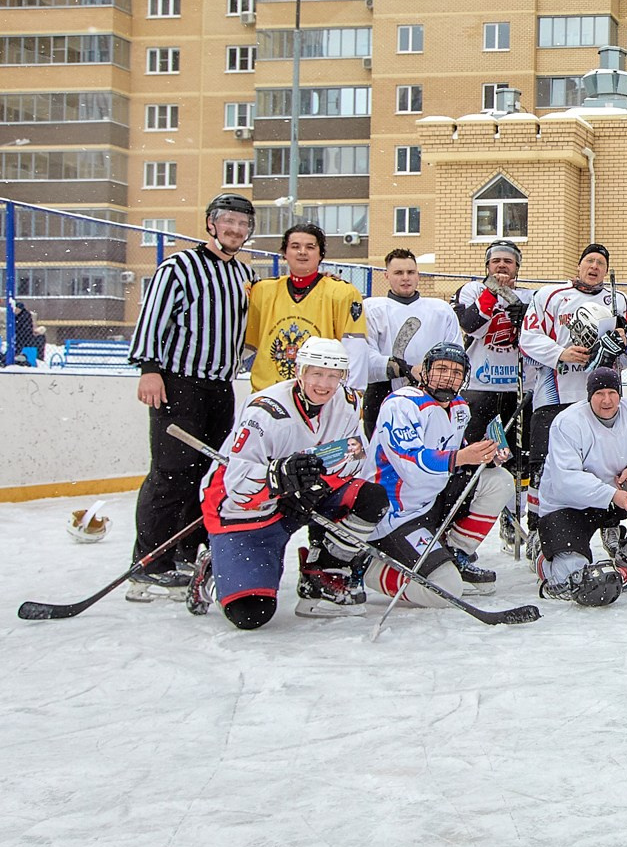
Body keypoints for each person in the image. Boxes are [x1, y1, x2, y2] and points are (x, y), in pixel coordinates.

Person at [199, 337, 386, 628]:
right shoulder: (265, 411)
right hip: (244, 509)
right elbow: (236, 485)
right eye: (317, 373)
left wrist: (315, 488)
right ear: (299, 372)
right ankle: (214, 568)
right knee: (250, 613)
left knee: (370, 498)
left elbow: (353, 457)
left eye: (333, 375)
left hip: (302, 499)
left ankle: (323, 569)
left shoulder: (348, 403)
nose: (324, 384)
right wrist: (279, 479)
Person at [126, 193, 257, 595]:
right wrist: (149, 370)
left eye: (243, 224)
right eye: (228, 222)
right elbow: (153, 319)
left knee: (209, 474)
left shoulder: (241, 275)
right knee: (171, 473)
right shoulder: (179, 267)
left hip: (220, 387)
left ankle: (184, 551)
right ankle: (148, 562)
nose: (235, 229)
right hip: (179, 383)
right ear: (211, 224)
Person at [360, 340, 512, 605]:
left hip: (432, 501)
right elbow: (411, 463)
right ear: (425, 372)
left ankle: (454, 553)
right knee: (445, 590)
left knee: (498, 481)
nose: (448, 378)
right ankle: (367, 567)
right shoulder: (401, 404)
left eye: (456, 373)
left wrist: (483, 456)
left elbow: (452, 449)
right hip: (396, 513)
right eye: (441, 369)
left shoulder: (460, 408)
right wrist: (462, 457)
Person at [533, 367, 627, 604]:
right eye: (599, 393)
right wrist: (611, 494)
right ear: (589, 396)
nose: (607, 400)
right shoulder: (568, 423)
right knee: (574, 579)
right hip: (569, 505)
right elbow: (565, 480)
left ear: (620, 394)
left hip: (617, 495)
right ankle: (544, 557)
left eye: (612, 392)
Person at [518, 242, 627, 505]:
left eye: (601, 263)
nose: (594, 267)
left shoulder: (619, 301)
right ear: (579, 265)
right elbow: (527, 338)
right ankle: (536, 526)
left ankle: (608, 525)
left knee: (604, 466)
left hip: (601, 401)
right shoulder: (549, 296)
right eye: (590, 261)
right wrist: (559, 353)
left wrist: (623, 341)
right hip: (554, 397)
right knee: (543, 467)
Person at [244, 221, 368, 392]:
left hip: (319, 396)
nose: (302, 252)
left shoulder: (342, 293)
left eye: (310, 247)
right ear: (284, 253)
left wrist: (352, 395)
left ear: (321, 254)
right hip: (268, 396)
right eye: (295, 246)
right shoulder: (261, 291)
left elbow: (355, 350)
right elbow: (245, 345)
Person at [357, 248, 459, 436]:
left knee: (431, 454)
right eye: (398, 273)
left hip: (433, 394)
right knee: (382, 456)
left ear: (418, 275)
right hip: (382, 394)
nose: (405, 278)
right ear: (386, 275)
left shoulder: (441, 311)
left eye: (410, 272)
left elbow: (456, 355)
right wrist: (406, 369)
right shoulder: (372, 309)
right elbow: (364, 357)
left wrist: (437, 376)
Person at [452, 240, 529, 442]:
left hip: (518, 388)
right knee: (474, 450)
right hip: (479, 386)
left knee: (517, 454)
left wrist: (524, 314)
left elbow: (537, 336)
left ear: (517, 267)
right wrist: (492, 291)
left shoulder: (531, 296)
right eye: (496, 260)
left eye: (508, 261)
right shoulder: (472, 291)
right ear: (487, 265)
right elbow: (470, 325)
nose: (502, 265)